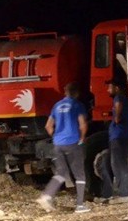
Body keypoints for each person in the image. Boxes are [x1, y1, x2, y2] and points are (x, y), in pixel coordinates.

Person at [37, 82, 90, 213]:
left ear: (65, 92)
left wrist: (56, 136)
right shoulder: (77, 105)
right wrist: (82, 137)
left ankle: (46, 196)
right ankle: (79, 205)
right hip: (72, 143)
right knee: (79, 174)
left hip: (58, 143)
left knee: (61, 172)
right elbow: (82, 124)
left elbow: (48, 126)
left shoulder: (57, 105)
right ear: (76, 93)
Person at [98, 79, 128, 204]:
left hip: (120, 136)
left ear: (117, 88)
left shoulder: (119, 98)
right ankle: (106, 195)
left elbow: (118, 107)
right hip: (116, 137)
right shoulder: (123, 99)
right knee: (107, 164)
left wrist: (117, 117)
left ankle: (124, 195)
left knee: (118, 165)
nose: (108, 90)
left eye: (110, 87)